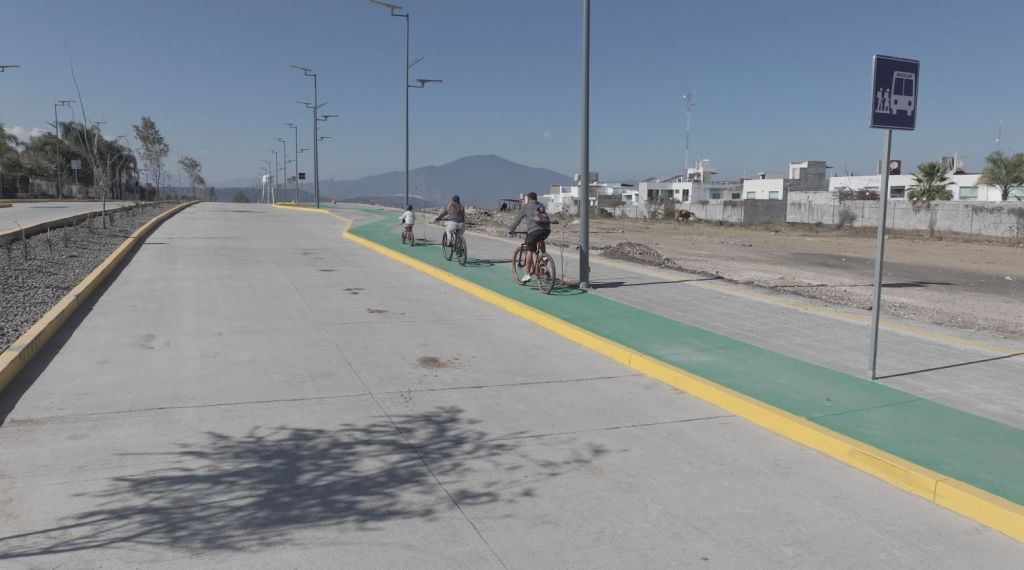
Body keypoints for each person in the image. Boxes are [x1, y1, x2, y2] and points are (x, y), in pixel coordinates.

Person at [508, 192, 551, 282]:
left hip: (534, 231)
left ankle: (527, 274)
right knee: (541, 239)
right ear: (536, 198)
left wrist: (511, 229)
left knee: (529, 251)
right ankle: (544, 256)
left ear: (528, 198)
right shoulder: (541, 205)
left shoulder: (526, 206)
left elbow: (518, 220)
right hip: (546, 230)